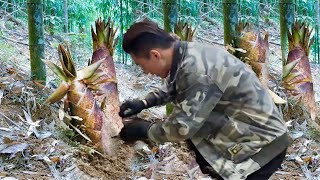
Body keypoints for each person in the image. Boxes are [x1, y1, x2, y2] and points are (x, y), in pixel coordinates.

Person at [118, 19, 291, 180]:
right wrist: (145, 102)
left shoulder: (197, 70)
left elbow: (182, 127)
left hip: (261, 147)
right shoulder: (188, 54)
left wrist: (146, 130)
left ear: (155, 55)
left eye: (141, 65)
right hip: (252, 136)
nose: (145, 72)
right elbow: (180, 86)